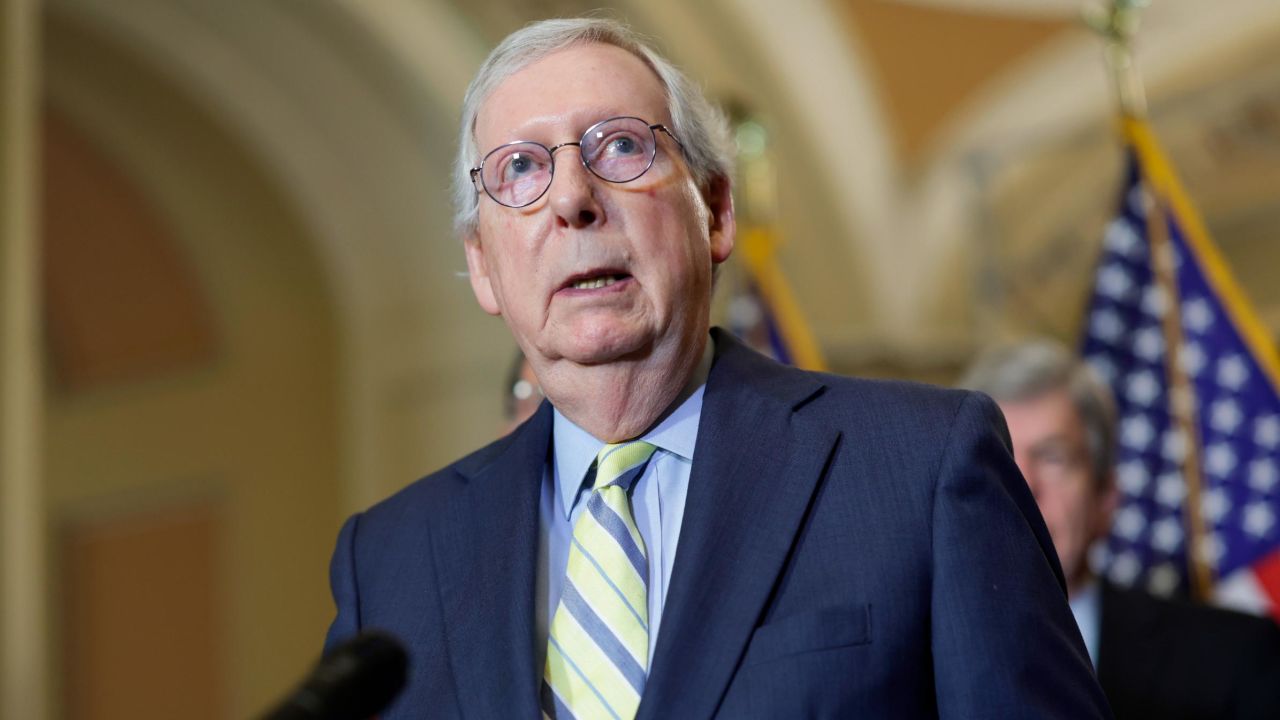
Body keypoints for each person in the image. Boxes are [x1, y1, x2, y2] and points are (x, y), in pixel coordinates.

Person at [324, 18, 1110, 719]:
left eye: (621, 146)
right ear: (484, 267)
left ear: (718, 210)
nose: (572, 197)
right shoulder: (390, 562)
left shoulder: (919, 467)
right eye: (521, 168)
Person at [962, 339, 1280, 719]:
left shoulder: (1236, 659)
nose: (1024, 484)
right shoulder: (901, 658)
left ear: (1105, 497)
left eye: (1052, 457)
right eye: (1002, 456)